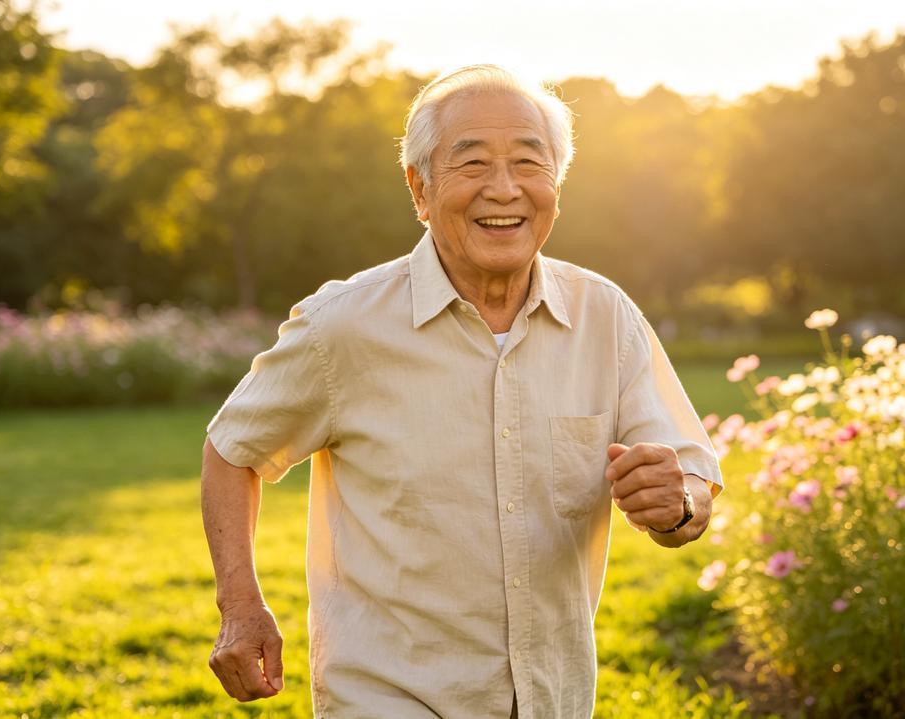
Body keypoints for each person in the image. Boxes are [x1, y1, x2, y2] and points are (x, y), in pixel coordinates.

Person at [200, 64, 724, 719]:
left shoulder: (606, 316)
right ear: (420, 189)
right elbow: (232, 448)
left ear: (556, 185)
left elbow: (692, 479)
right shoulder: (345, 324)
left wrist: (675, 505)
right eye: (471, 164)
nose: (503, 189)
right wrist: (240, 604)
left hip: (553, 699)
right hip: (389, 696)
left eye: (529, 162)